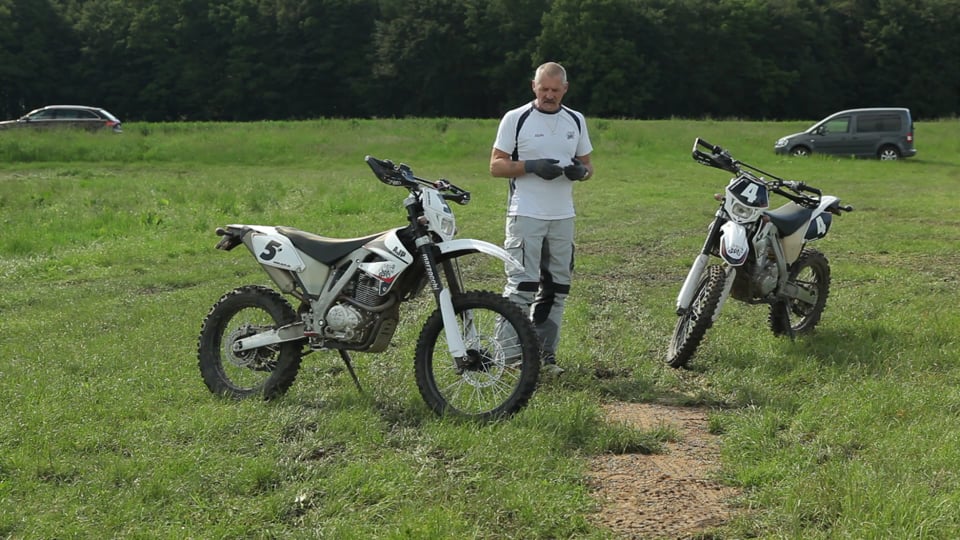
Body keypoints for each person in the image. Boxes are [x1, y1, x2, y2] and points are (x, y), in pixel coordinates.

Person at [489, 61, 594, 374]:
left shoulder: (575, 119)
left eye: (555, 90)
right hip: (525, 214)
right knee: (521, 287)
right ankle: (506, 359)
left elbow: (588, 166)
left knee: (556, 289)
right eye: (543, 89)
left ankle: (543, 358)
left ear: (565, 89)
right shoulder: (516, 118)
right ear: (534, 87)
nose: (549, 95)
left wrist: (581, 172)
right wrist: (531, 166)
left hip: (563, 216)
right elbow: (496, 165)